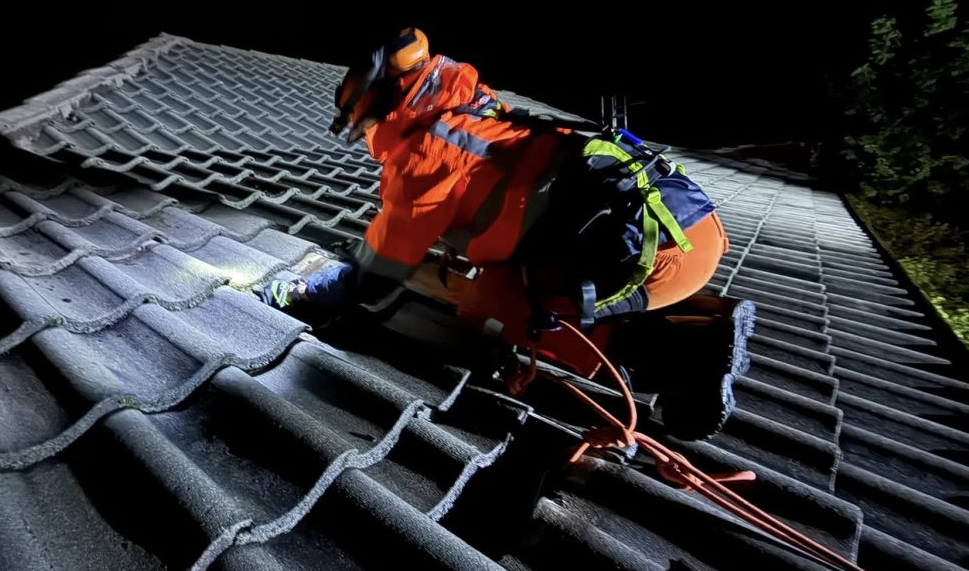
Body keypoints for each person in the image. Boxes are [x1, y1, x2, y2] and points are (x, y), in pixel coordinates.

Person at [261, 28, 753, 437]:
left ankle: (682, 371)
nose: (365, 137)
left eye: (363, 124)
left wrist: (307, 293)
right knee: (555, 272)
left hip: (656, 259)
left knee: (492, 301)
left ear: (383, 106)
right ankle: (710, 320)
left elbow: (380, 267)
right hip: (689, 230)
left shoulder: (422, 156)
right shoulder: (472, 108)